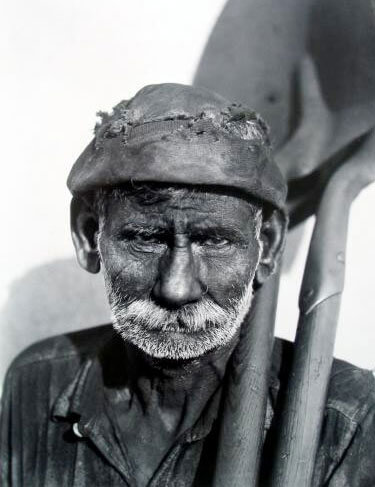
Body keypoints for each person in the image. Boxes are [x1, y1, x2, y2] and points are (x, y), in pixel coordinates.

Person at [1, 83, 375, 486]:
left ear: (266, 245)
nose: (177, 289)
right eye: (145, 238)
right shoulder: (38, 384)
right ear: (89, 235)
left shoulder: (346, 420)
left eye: (214, 241)